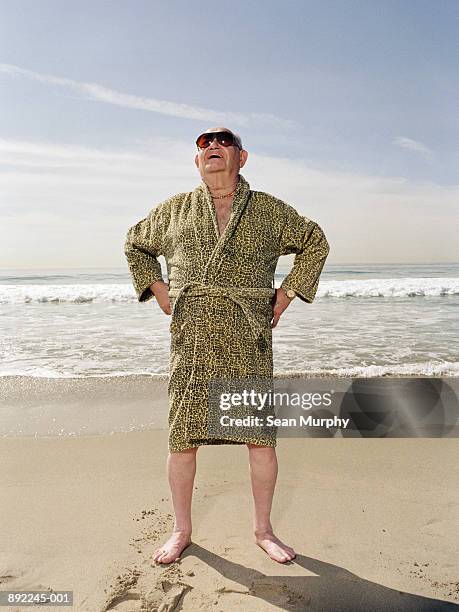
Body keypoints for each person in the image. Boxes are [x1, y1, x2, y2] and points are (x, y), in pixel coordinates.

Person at [124, 127, 330, 564]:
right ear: (197, 163)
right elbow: (135, 243)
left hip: (247, 337)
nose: (213, 148)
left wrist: (287, 293)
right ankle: (181, 529)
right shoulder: (174, 210)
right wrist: (157, 288)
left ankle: (263, 530)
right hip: (192, 341)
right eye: (204, 145)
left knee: (260, 439)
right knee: (182, 439)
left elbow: (315, 242)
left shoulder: (269, 212)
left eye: (223, 142)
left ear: (243, 157)